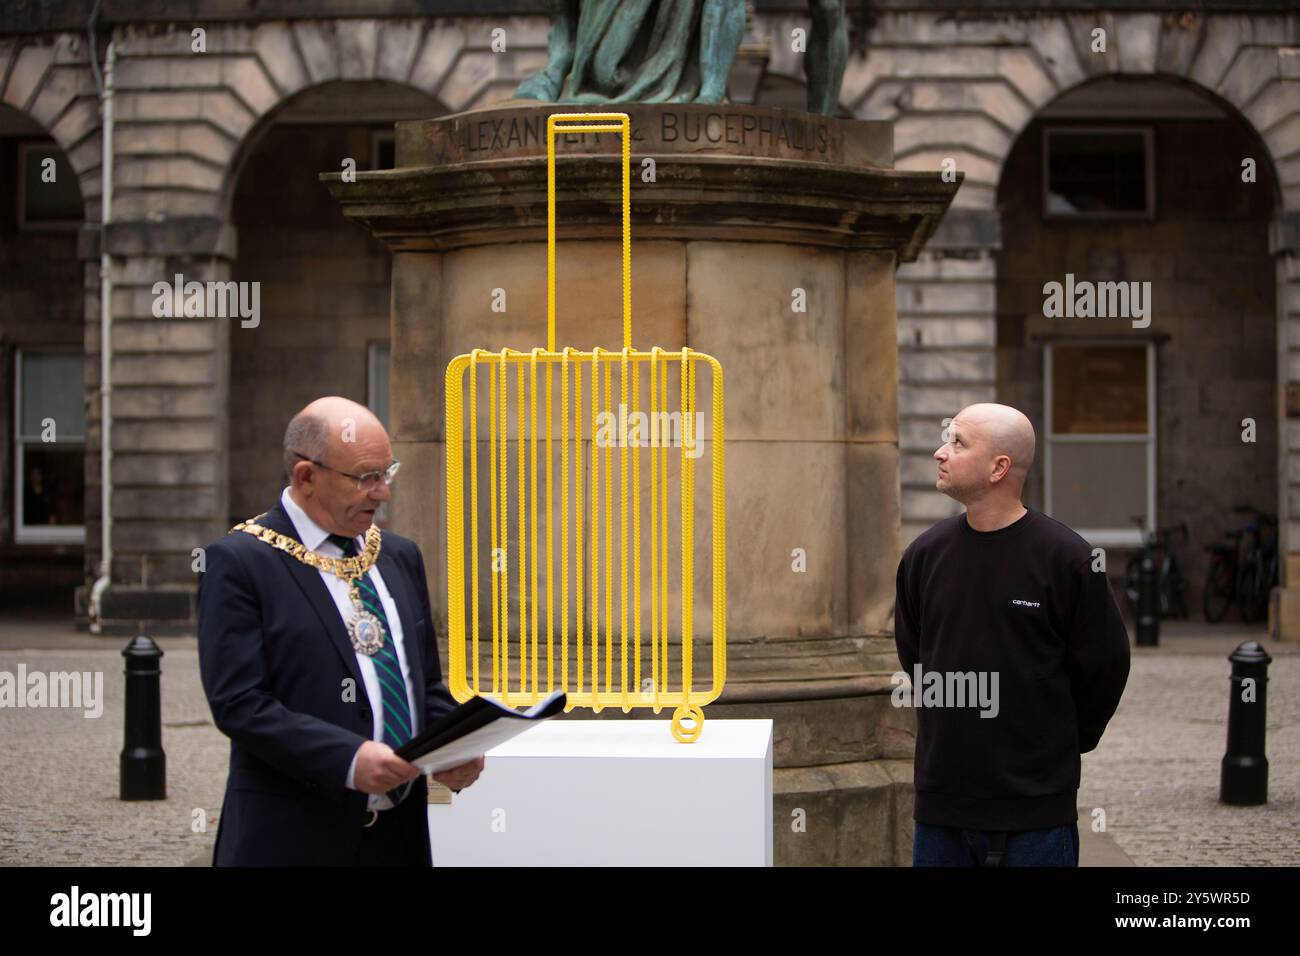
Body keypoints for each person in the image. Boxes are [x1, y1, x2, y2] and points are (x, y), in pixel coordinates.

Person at [198, 396, 484, 866]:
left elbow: (422, 685)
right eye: (365, 478)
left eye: (386, 473)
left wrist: (452, 746)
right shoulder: (239, 563)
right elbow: (240, 704)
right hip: (291, 840)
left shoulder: (398, 555)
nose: (382, 492)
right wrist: (348, 760)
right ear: (306, 477)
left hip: (398, 839)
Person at [893, 403, 1130, 867]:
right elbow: (915, 657)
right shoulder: (923, 555)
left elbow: (1105, 667)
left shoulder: (1067, 559)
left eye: (958, 442)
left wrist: (1057, 741)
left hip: (1036, 815)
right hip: (942, 810)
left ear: (1000, 467)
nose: (940, 453)